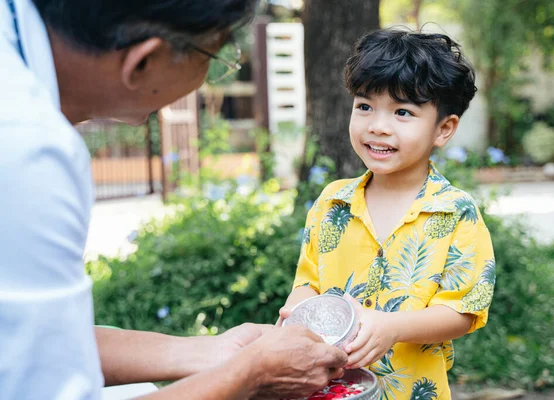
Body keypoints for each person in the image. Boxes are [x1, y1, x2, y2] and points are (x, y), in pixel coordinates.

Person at [0, 0, 347, 399]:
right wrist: (248, 376)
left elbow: (41, 344)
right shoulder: (26, 152)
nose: (209, 76)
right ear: (144, 61)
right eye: (213, 56)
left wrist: (216, 352)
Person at [278, 28, 495, 399]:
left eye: (402, 112)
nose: (377, 125)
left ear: (443, 129)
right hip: (330, 387)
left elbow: (462, 311)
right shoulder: (333, 203)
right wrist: (295, 314)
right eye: (364, 106)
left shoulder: (456, 212)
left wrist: (393, 327)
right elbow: (308, 282)